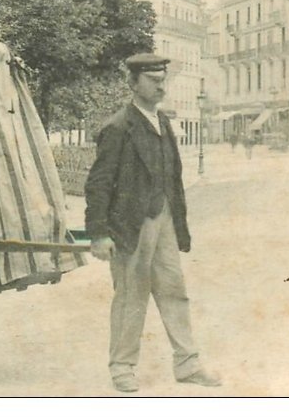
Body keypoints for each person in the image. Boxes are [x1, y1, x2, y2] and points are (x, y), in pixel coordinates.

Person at [84, 53, 221, 393]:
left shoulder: (163, 123)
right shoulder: (117, 128)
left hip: (164, 221)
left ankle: (187, 364)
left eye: (163, 80)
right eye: (153, 80)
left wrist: (179, 225)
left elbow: (173, 178)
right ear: (133, 83)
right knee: (131, 296)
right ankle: (122, 368)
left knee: (174, 290)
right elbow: (98, 184)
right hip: (130, 225)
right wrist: (99, 233)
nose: (161, 86)